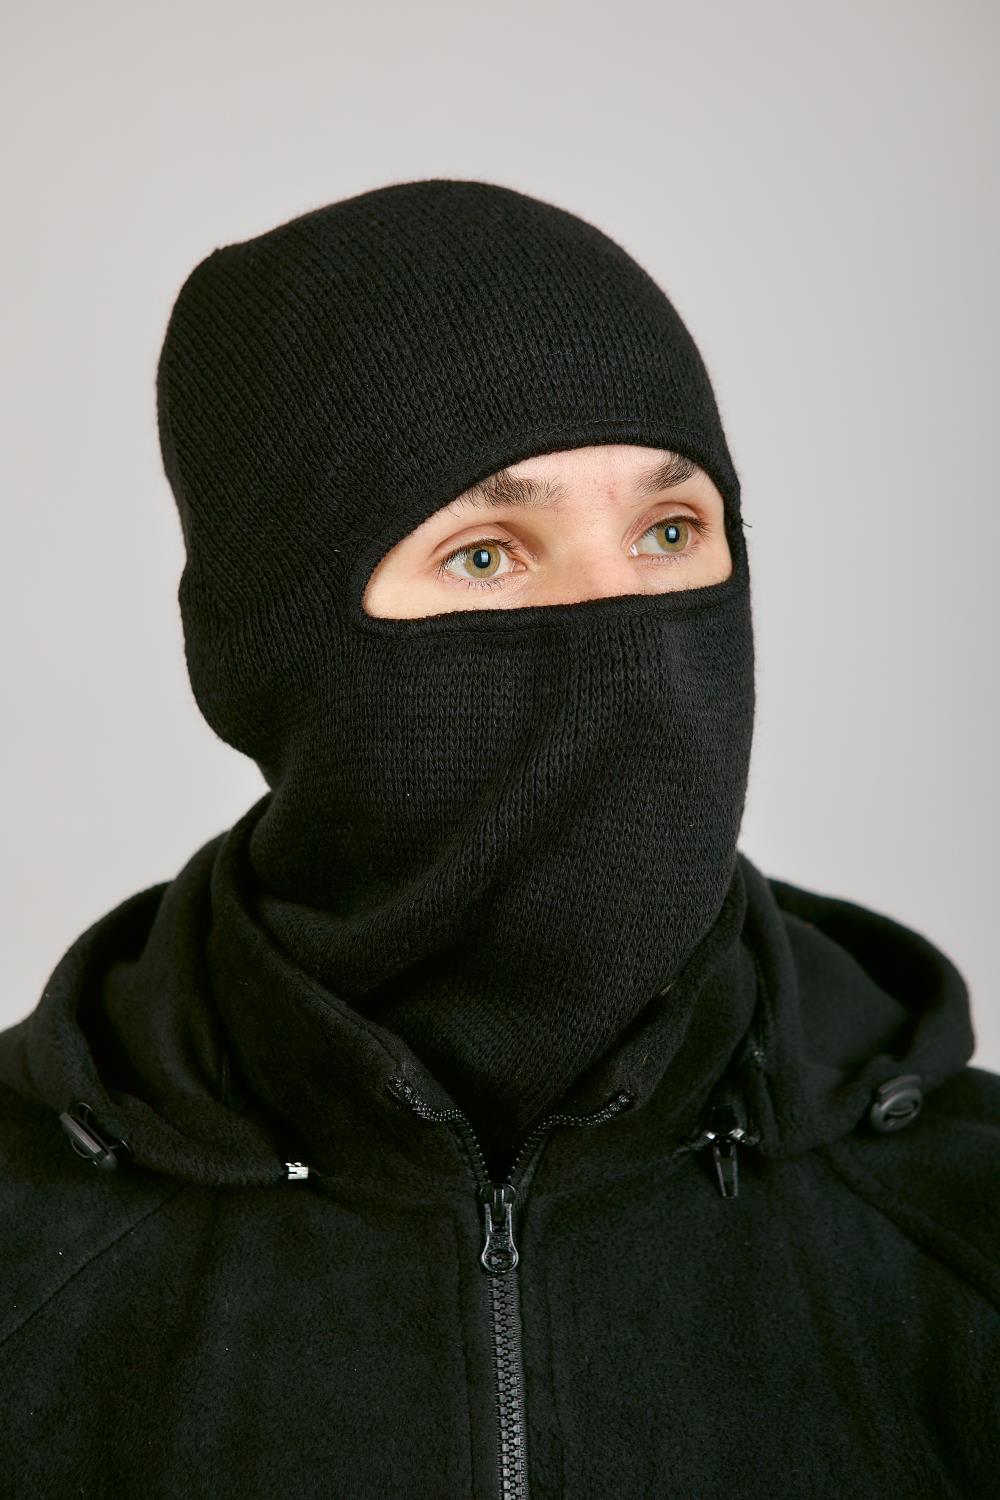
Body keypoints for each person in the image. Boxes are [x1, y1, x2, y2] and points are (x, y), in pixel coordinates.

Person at [0, 177, 996, 1500]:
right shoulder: (26, 1249)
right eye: (486, 554)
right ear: (272, 645)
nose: (626, 638)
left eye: (670, 531)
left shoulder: (968, 1226)